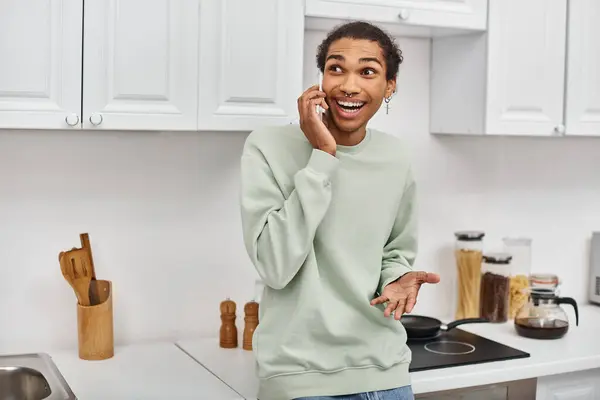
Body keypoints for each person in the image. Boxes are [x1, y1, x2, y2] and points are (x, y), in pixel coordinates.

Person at [239, 21, 440, 400]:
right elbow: (274, 265)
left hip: (387, 374)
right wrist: (322, 158)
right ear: (320, 80)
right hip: (300, 379)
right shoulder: (267, 147)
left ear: (389, 86)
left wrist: (397, 278)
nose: (349, 85)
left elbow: (394, 251)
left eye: (368, 71)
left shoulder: (396, 156)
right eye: (336, 68)